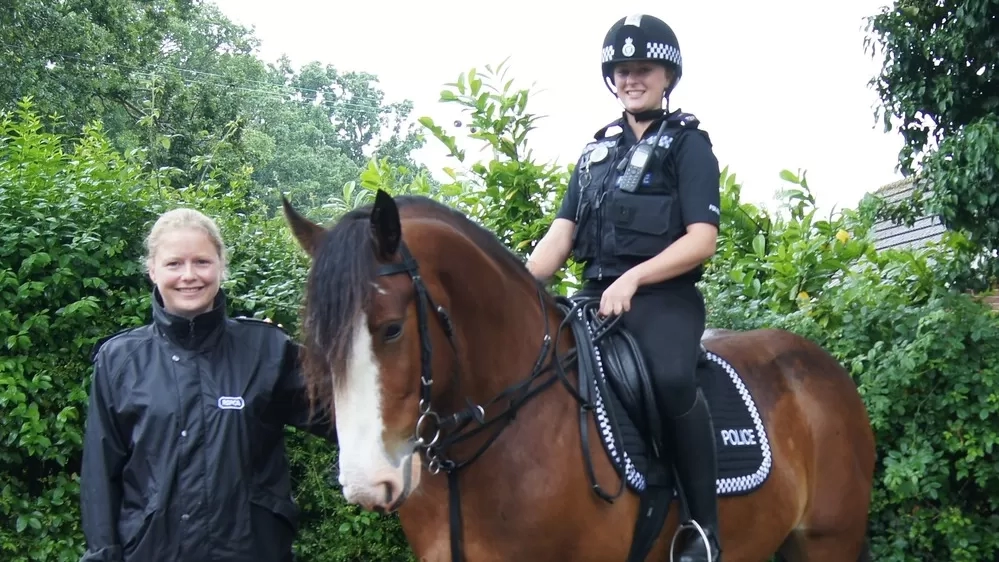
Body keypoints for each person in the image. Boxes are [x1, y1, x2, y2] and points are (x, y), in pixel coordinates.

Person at [526, 13, 723, 562]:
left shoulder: (689, 146)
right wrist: (518, 285)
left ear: (667, 76)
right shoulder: (593, 156)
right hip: (592, 299)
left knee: (671, 378)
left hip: (662, 300)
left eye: (644, 68)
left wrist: (635, 277)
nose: (631, 78)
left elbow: (701, 239)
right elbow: (559, 237)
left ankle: (702, 531)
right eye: (621, 70)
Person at [78, 208, 336, 562]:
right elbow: (100, 475)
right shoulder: (119, 361)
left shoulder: (267, 350)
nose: (189, 276)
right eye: (174, 264)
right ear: (152, 270)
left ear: (220, 267)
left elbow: (347, 416)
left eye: (202, 262)